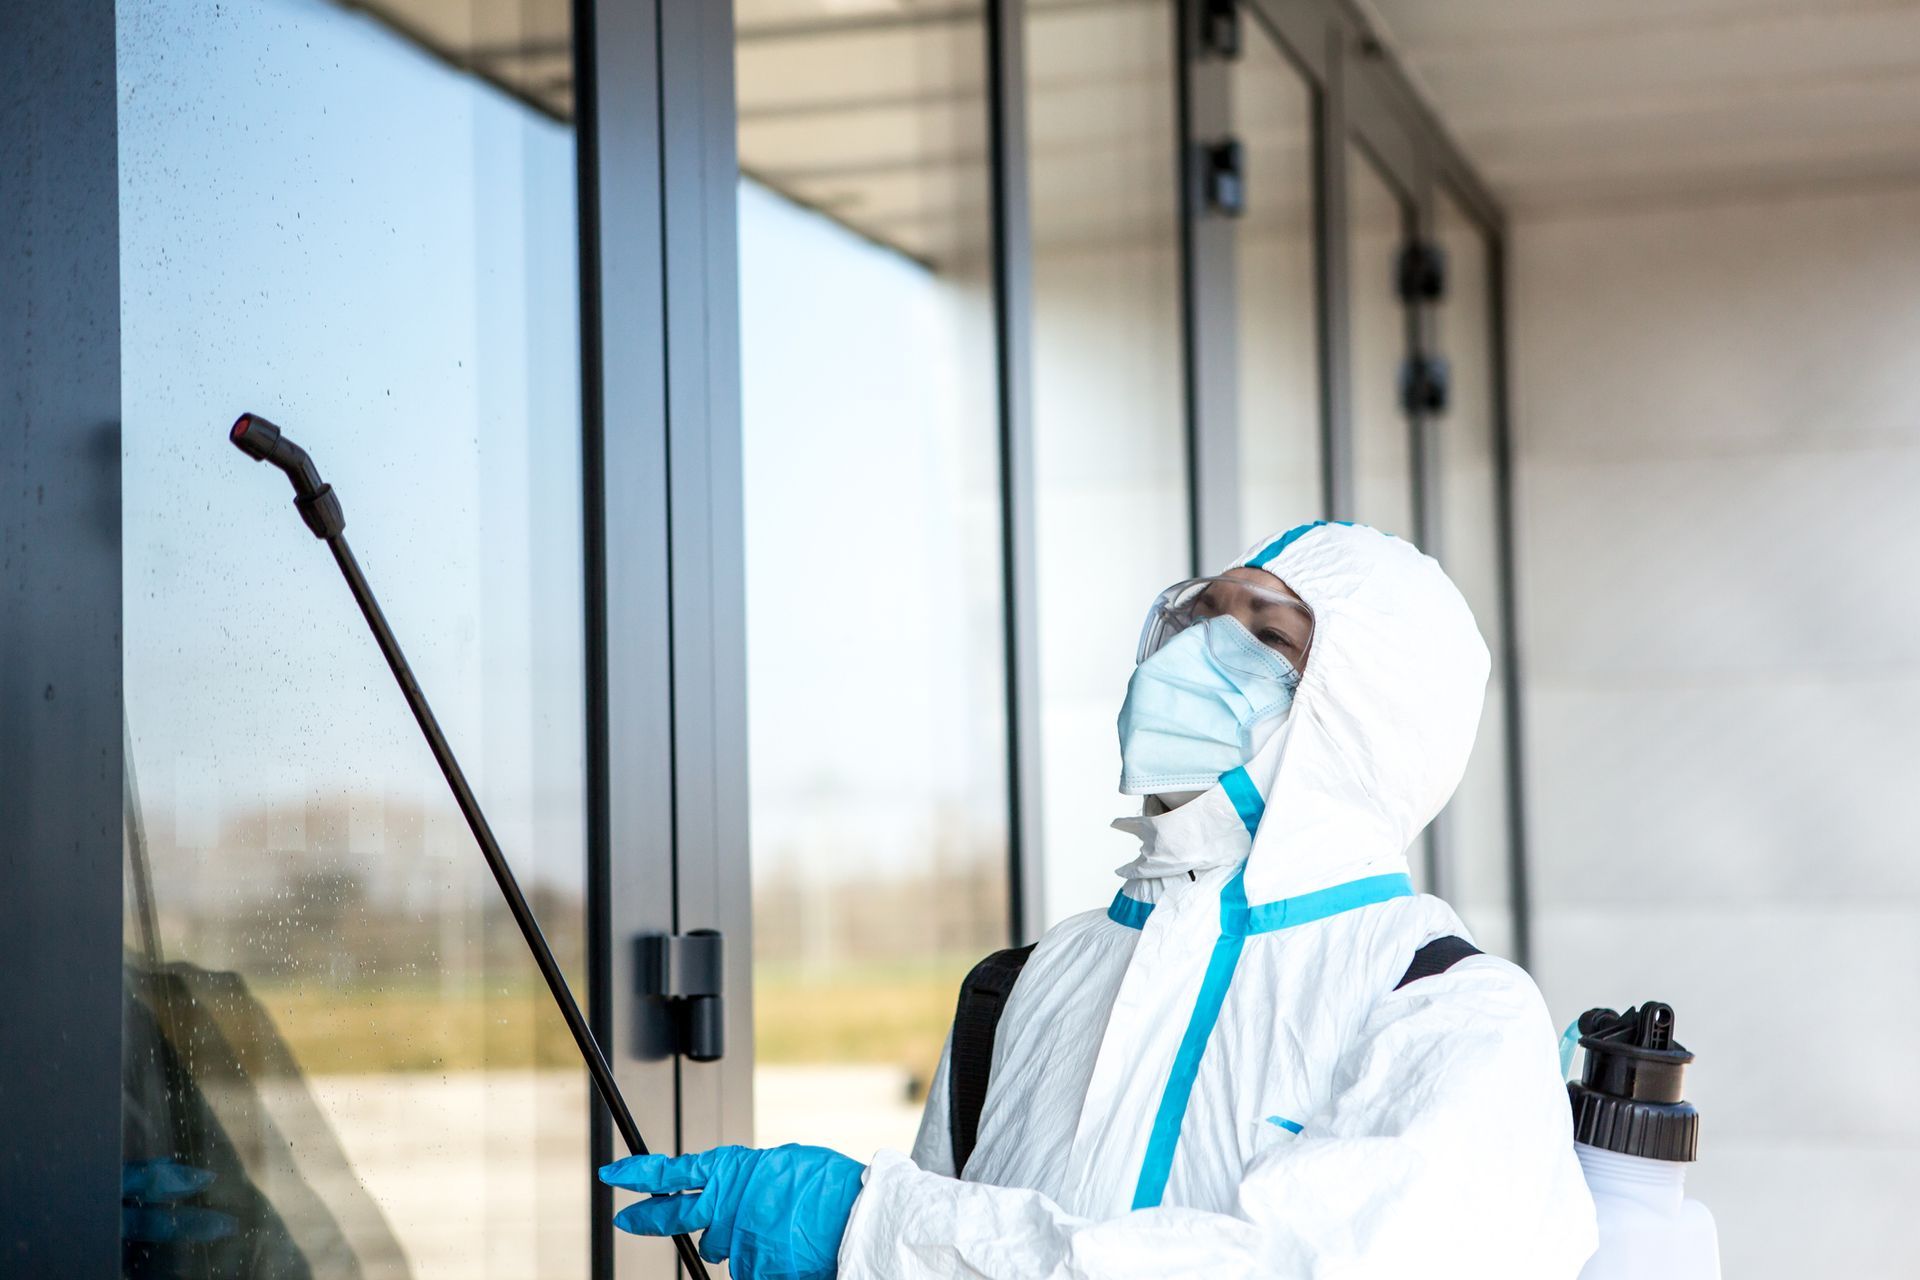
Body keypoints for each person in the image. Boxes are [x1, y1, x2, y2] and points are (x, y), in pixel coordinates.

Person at [602, 520, 1598, 1279]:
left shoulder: (1444, 1009)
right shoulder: (1029, 982)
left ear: (1365, 714)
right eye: (1202, 614)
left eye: (1266, 635)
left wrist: (870, 1226)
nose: (1199, 648)